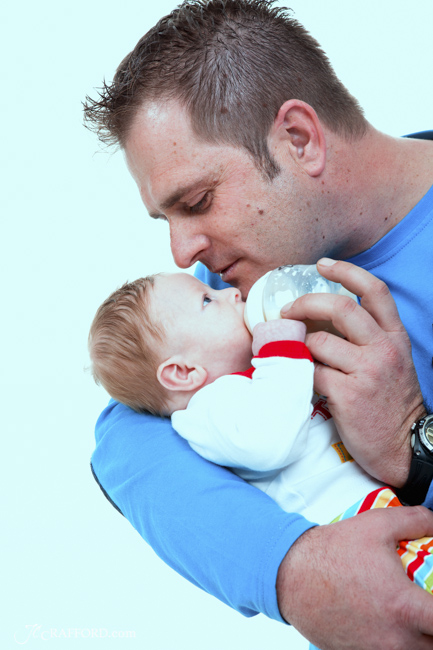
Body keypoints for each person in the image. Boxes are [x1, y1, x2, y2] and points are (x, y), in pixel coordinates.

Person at [83, 1, 433, 648]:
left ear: (299, 139)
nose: (181, 253)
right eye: (167, 219)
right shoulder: (253, 276)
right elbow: (127, 439)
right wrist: (292, 572)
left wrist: (416, 444)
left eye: (197, 201)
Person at [88, 269, 433, 598]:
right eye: (207, 300)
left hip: (385, 509)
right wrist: (281, 349)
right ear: (183, 372)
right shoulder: (209, 410)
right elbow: (271, 442)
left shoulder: (259, 377)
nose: (232, 293)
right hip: (348, 526)